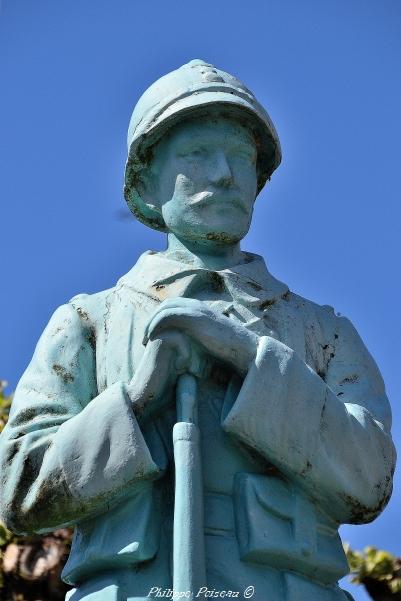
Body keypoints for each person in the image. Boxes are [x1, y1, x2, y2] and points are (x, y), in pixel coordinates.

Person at [0, 60, 395, 601]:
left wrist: (254, 362)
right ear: (145, 183)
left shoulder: (320, 330)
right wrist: (135, 402)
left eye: (240, 158)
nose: (225, 174)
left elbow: (368, 481)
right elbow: (20, 489)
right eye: (196, 155)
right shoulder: (90, 323)